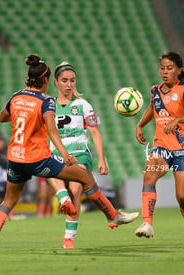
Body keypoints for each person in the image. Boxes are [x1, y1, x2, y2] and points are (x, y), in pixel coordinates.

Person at [0, 54, 138, 253]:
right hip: (38, 158)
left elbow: (2, 117)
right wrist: (64, 154)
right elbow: (52, 130)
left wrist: (22, 113)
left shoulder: (16, 96)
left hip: (14, 158)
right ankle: (111, 214)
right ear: (47, 81)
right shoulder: (46, 101)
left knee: (9, 201)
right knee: (85, 177)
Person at [134, 51, 184, 246]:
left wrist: (178, 119)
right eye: (162, 68)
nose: (164, 72)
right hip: (161, 147)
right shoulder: (156, 90)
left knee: (182, 196)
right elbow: (152, 107)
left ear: (179, 70)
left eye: (169, 68)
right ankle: (147, 223)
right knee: (149, 176)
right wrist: (140, 125)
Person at [47, 62, 109, 249]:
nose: (69, 84)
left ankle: (68, 237)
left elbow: (95, 132)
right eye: (64, 80)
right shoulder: (48, 105)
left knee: (76, 189)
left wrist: (102, 159)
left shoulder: (83, 105)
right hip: (57, 152)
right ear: (56, 82)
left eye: (72, 80)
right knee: (48, 169)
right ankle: (63, 198)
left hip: (79, 153)